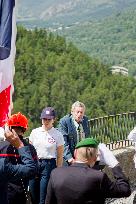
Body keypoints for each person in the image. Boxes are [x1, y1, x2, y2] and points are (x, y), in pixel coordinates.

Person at [46, 137, 131, 204]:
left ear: (75, 153)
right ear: (95, 157)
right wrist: (114, 164)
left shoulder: (55, 173)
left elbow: (49, 202)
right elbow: (125, 190)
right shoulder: (98, 177)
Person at [0, 112, 38, 204]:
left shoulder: (1, 147)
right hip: (21, 192)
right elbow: (34, 171)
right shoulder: (30, 148)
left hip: (3, 192)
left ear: (9, 128)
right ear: (24, 129)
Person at [29, 107, 64, 204]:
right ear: (41, 119)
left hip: (49, 164)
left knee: (43, 195)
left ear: (53, 119)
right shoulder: (35, 132)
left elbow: (60, 155)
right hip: (35, 163)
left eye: (49, 119)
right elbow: (30, 151)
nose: (46, 121)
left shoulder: (57, 134)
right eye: (44, 119)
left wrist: (58, 170)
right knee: (33, 192)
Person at [58, 101, 90, 165]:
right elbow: (63, 142)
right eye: (77, 112)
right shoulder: (64, 122)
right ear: (72, 112)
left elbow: (88, 138)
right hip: (69, 158)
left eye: (81, 112)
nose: (80, 114)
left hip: (82, 157)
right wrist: (70, 158)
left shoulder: (85, 120)